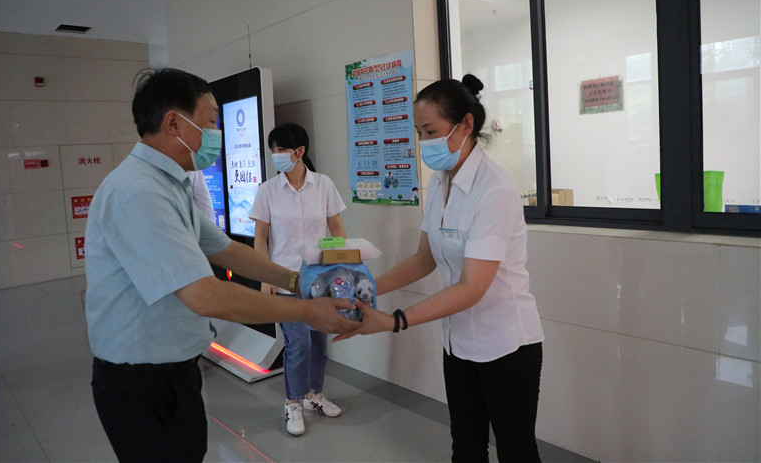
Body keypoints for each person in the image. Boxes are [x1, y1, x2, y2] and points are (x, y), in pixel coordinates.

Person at [85, 68, 359, 463]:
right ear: (174, 123)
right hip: (141, 378)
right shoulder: (138, 193)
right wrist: (305, 309)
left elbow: (225, 249)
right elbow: (204, 295)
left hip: (173, 369)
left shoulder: (171, 184)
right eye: (212, 122)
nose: (218, 133)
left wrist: (299, 282)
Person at [338, 74, 544, 463]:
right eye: (419, 133)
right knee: (465, 445)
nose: (424, 143)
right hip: (458, 341)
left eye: (431, 131)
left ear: (465, 124)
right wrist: (366, 288)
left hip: (506, 344)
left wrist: (394, 321)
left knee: (515, 449)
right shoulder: (439, 184)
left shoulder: (495, 189)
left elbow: (471, 287)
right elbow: (424, 257)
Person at [249, 123, 348, 436]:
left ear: (299, 151)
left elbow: (337, 228)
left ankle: (313, 395)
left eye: (281, 149)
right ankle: (292, 401)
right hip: (284, 280)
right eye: (273, 150)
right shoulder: (268, 190)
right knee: (298, 342)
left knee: (318, 342)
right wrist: (265, 276)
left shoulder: (323, 185)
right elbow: (260, 237)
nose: (276, 155)